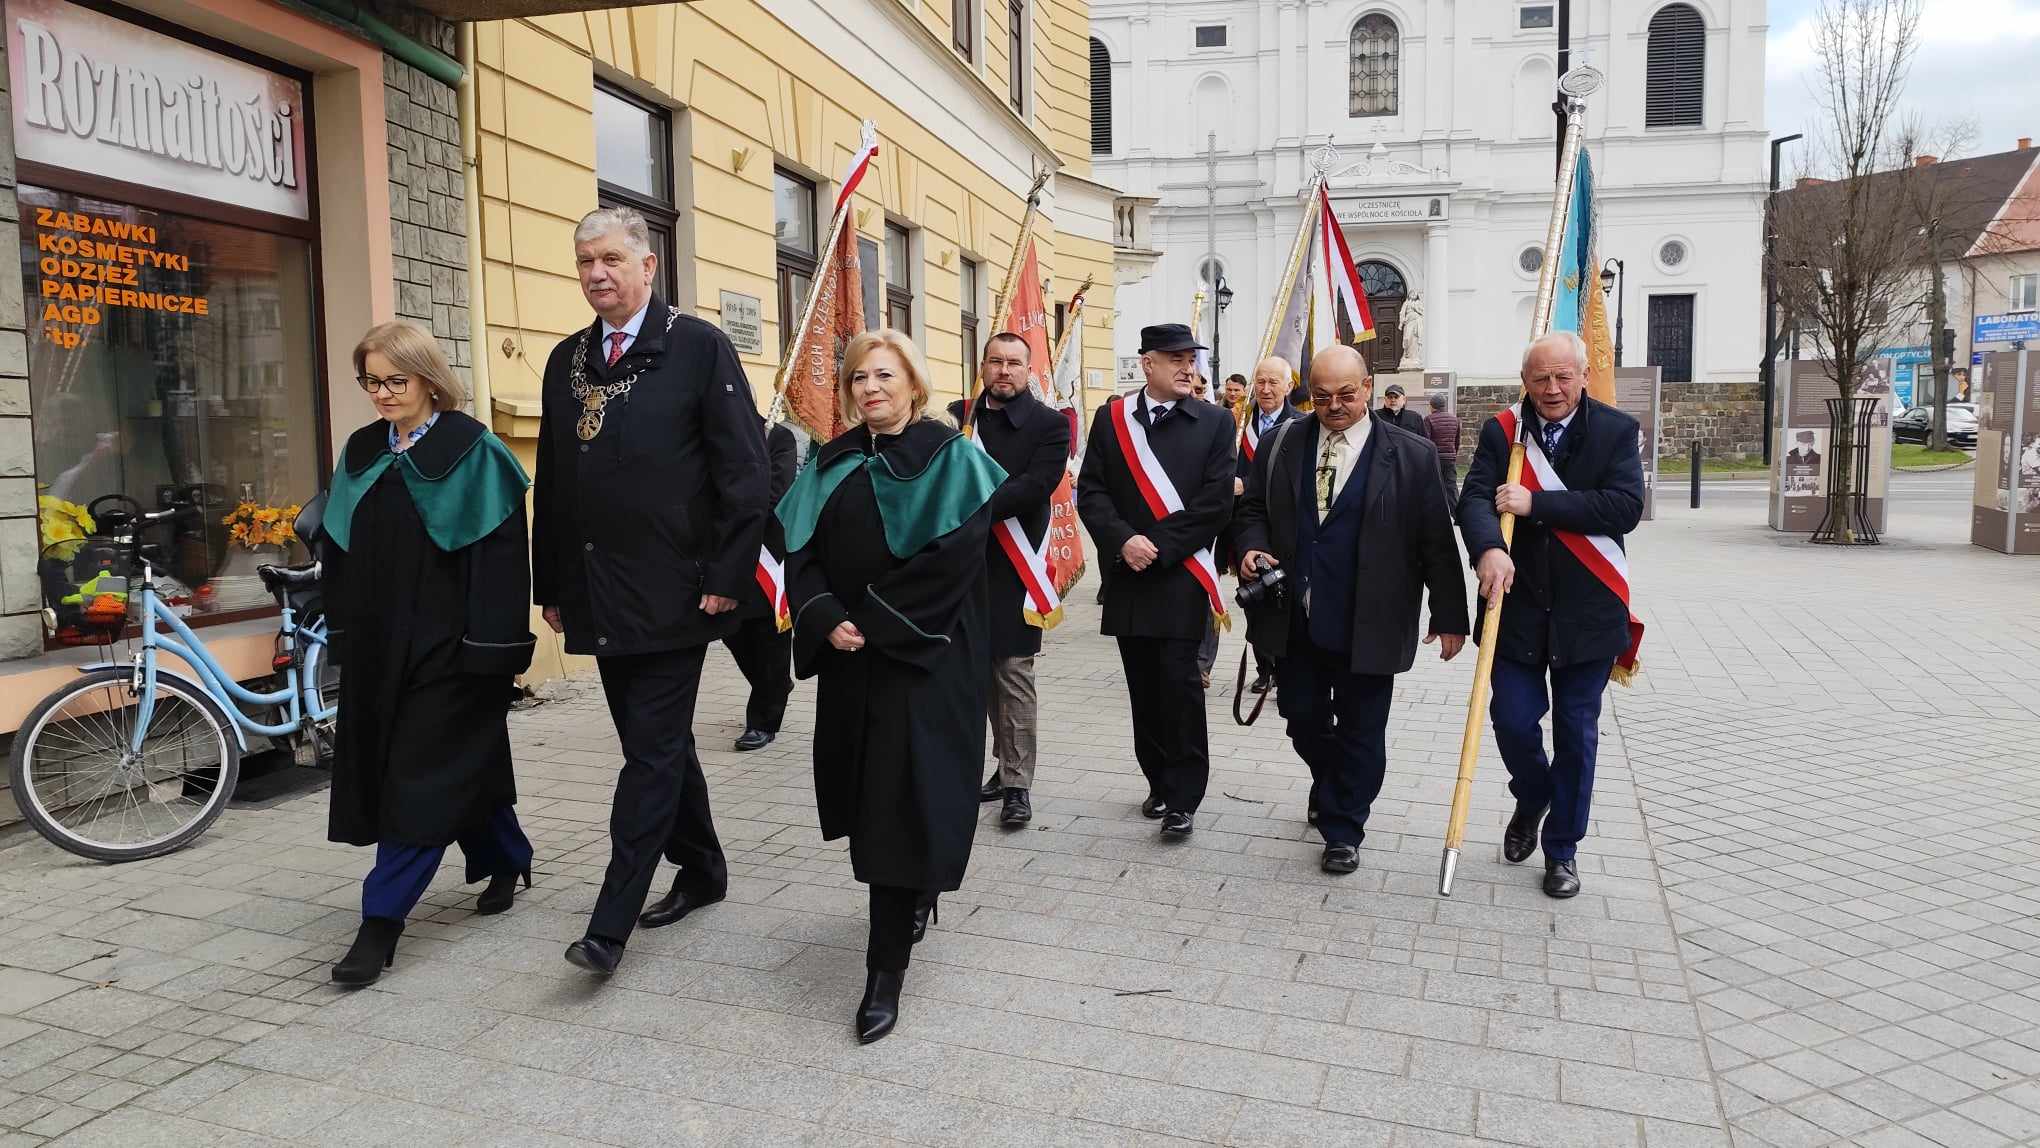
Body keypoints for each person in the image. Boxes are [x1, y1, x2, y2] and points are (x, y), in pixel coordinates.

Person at [534, 207, 770, 975]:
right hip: (599, 590)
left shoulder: (697, 347)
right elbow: (556, 482)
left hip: (678, 591)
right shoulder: (568, 359)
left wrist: (728, 576)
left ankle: (611, 923)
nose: (596, 274)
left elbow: (745, 472)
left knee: (650, 754)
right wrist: (555, 582)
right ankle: (703, 869)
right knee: (655, 745)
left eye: (609, 259)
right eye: (583, 262)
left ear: (648, 266)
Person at [777, 329, 1005, 1044]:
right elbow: (800, 552)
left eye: (885, 375)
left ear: (913, 382)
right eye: (857, 379)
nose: (870, 388)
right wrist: (825, 618)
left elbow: (951, 563)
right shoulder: (831, 461)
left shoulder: (954, 459)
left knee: (902, 804)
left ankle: (883, 974)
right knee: (872, 794)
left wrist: (871, 622)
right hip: (852, 658)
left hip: (925, 657)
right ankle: (913, 889)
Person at [321, 322, 537, 986]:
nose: (382, 393)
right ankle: (507, 853)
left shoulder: (474, 452)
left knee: (416, 777)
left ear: (427, 378)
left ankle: (380, 922)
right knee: (442, 766)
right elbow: (339, 546)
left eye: (396, 379)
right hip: (380, 646)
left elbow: (502, 566)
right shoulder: (361, 450)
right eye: (371, 380)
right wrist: (340, 629)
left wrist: (491, 653)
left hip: (451, 648)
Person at [1234, 346, 1468, 872]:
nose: (1334, 406)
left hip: (1373, 619)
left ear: (1367, 388)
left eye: (1345, 394)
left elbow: (1435, 540)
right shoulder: (1280, 444)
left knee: (1363, 728)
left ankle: (1344, 828)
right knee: (1300, 718)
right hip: (1297, 618)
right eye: (1321, 397)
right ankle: (1334, 780)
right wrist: (1249, 546)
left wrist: (1450, 615)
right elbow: (1250, 509)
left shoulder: (1411, 454)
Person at [1459, 331, 1644, 899]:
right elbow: (1473, 498)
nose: (1553, 388)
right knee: (1513, 720)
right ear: (1525, 382)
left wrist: (1536, 503)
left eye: (1564, 377)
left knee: (1576, 735)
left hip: (1587, 615)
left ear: (1584, 377)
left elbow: (1624, 507)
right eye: (1540, 378)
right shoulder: (1503, 431)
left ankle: (1562, 850)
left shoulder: (1615, 431)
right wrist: (1489, 546)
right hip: (1514, 611)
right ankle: (1533, 793)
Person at [1077, 323, 1236, 838]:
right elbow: (1093, 493)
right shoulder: (1112, 419)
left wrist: (1160, 547)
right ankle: (1159, 780)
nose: (1188, 367)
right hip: (1128, 576)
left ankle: (1185, 795)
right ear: (1148, 364)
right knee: (1142, 690)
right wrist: (1123, 540)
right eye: (1175, 359)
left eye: (1192, 358)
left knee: (1179, 688)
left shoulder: (1214, 422)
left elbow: (1214, 505)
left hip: (1179, 577)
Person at [954, 333, 1072, 827]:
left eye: (1014, 363)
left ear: (1029, 370)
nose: (1004, 371)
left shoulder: (1050, 425)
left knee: (1014, 673)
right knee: (980, 673)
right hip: (963, 563)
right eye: (995, 361)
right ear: (982, 364)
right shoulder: (958, 417)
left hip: (1016, 563)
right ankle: (1003, 768)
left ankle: (1018, 787)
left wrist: (970, 505)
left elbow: (1035, 486)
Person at [726, 417, 800, 751]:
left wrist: (727, 500)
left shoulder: (777, 436)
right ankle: (775, 685)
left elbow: (775, 495)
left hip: (765, 555)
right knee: (731, 631)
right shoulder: (713, 430)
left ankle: (763, 721)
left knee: (770, 638)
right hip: (725, 553)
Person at [1235, 357, 1302, 694]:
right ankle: (1265, 668)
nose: (1265, 389)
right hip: (1247, 528)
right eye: (1260, 381)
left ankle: (1285, 666)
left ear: (1288, 386)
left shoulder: (1301, 425)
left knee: (1283, 602)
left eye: (1273, 382)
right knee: (1255, 600)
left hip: (1285, 533)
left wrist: (1246, 484)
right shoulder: (1236, 421)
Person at [1424, 391, 1463, 506]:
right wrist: (1453, 454)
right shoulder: (1455, 419)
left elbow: (1426, 441)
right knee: (1451, 487)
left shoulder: (1429, 419)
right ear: (1444, 405)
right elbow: (1457, 441)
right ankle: (1457, 515)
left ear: (1432, 406)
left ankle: (1436, 515)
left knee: (1433, 487)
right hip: (1450, 459)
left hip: (1435, 459)